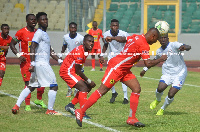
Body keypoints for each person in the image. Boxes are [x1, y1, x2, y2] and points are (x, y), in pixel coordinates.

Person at [75, 27, 167, 127]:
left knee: (136, 89)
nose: (155, 42)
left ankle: (131, 118)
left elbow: (123, 39)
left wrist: (113, 38)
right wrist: (161, 59)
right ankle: (81, 111)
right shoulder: (144, 45)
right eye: (155, 40)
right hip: (116, 68)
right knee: (102, 90)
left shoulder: (136, 36)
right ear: (153, 36)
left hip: (124, 70)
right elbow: (148, 63)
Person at [12, 12, 63, 115]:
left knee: (31, 86)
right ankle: (50, 110)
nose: (45, 21)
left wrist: (59, 60)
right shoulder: (39, 33)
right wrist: (33, 63)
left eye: (46, 19)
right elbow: (33, 47)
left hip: (39, 64)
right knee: (54, 85)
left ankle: (16, 106)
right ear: (39, 22)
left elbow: (49, 50)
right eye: (42, 20)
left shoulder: (44, 33)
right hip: (42, 64)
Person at [140, 33, 191, 115]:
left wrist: (185, 47)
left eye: (165, 38)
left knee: (171, 94)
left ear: (168, 38)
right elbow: (154, 61)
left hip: (180, 73)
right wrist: (145, 69)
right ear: (159, 40)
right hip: (167, 73)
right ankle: (158, 100)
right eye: (161, 38)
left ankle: (162, 109)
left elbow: (188, 46)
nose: (163, 39)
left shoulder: (174, 45)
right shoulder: (159, 51)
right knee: (160, 88)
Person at [10, 14, 47, 111]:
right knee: (28, 84)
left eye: (35, 20)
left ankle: (39, 100)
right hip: (25, 63)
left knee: (42, 82)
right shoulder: (21, 32)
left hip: (37, 62)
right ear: (27, 21)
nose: (33, 21)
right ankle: (27, 105)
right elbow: (12, 44)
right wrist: (18, 55)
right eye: (31, 20)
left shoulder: (38, 32)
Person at [60, 34, 96, 119]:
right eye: (89, 41)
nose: (91, 43)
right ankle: (82, 113)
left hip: (71, 71)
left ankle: (70, 105)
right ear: (84, 42)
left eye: (92, 42)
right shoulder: (80, 52)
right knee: (84, 87)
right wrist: (89, 80)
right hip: (67, 71)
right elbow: (78, 70)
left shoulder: (86, 49)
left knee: (87, 87)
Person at [100, 19, 129, 104]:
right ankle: (114, 92)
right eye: (113, 25)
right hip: (112, 57)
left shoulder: (124, 34)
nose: (115, 27)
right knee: (109, 76)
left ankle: (125, 97)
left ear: (118, 26)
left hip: (121, 58)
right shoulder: (106, 34)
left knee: (123, 77)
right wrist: (102, 55)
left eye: (116, 25)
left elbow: (125, 41)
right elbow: (105, 45)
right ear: (110, 26)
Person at [59, 22, 83, 97]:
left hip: (78, 58)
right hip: (69, 58)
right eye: (71, 28)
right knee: (68, 74)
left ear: (76, 29)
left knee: (79, 73)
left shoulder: (81, 38)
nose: (73, 29)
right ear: (69, 28)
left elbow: (83, 47)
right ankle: (69, 89)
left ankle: (77, 90)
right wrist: (61, 54)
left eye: (74, 28)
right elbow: (64, 46)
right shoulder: (65, 37)